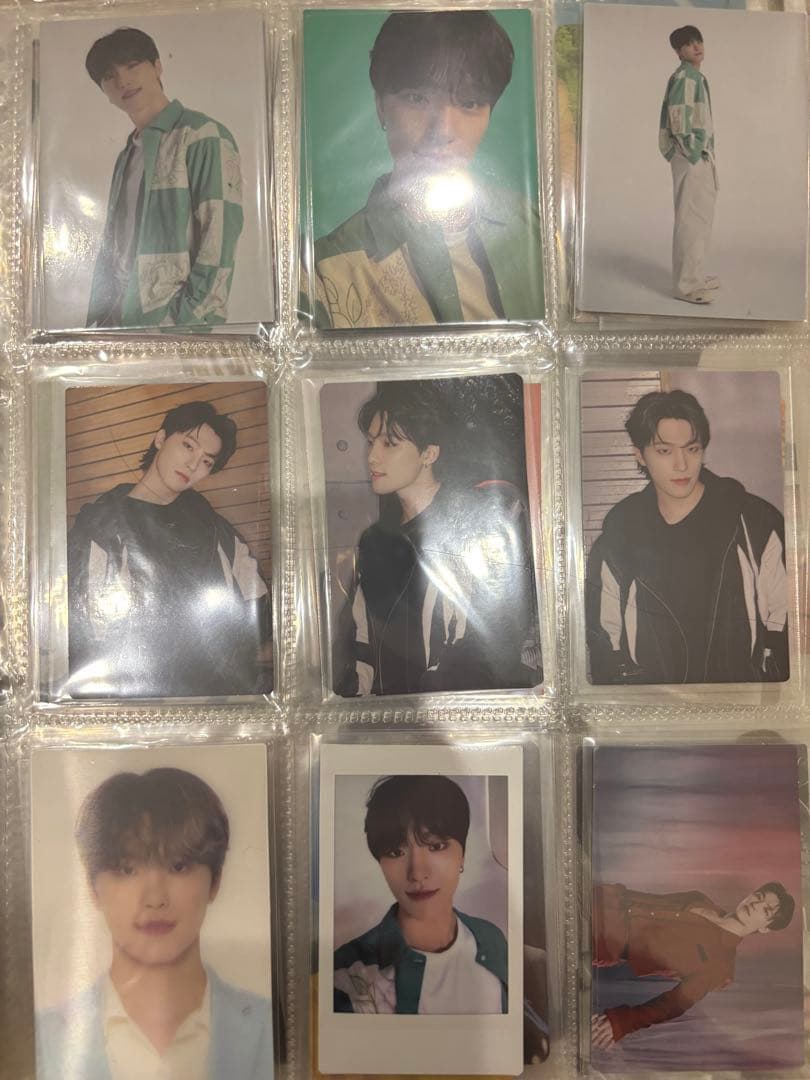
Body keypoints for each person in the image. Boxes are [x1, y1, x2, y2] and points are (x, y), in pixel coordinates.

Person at [307, 11, 544, 328]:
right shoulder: (324, 271)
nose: (442, 131)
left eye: (469, 103)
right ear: (380, 106)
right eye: (416, 98)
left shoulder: (537, 230)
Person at [35, 768, 274, 1079]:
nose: (155, 898)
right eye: (127, 869)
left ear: (215, 881)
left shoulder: (270, 1027)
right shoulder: (42, 1038)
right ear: (93, 887)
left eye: (178, 866)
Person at [334, 380, 541, 696]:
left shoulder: (475, 521)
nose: (372, 457)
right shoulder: (374, 542)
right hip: (389, 719)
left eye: (389, 443)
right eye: (371, 442)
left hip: (462, 713)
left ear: (429, 453)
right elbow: (358, 640)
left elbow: (491, 645)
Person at [67, 400, 272, 698]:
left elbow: (258, 604)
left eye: (207, 461)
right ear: (161, 438)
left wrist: (225, 664)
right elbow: (87, 628)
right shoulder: (103, 525)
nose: (193, 465)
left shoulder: (214, 528)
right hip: (135, 696)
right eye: (188, 446)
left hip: (215, 695)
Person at [585, 389, 789, 684]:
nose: (681, 465)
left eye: (691, 449)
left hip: (741, 704)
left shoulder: (755, 523)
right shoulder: (618, 538)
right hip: (656, 708)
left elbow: (786, 627)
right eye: (664, 451)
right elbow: (606, 646)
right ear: (639, 455)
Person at [84, 27, 243, 329]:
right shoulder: (128, 153)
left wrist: (185, 322)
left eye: (132, 66)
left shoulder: (201, 135)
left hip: (171, 326)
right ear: (104, 92)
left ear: (157, 66)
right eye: (109, 76)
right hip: (118, 321)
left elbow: (219, 240)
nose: (122, 81)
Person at [333, 775, 507, 1014]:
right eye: (395, 852)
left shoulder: (492, 940)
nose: (417, 873)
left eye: (436, 846)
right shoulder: (349, 971)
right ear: (380, 862)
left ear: (462, 855)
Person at [591, 881, 795, 1048]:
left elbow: (674, 1004)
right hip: (602, 897)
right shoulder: (699, 898)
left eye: (766, 910)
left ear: (766, 928)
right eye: (758, 896)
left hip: (602, 942)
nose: (756, 904)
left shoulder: (720, 967)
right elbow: (648, 899)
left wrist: (622, 1022)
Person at [659, 26, 718, 305]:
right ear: (678, 51)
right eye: (689, 44)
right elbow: (679, 121)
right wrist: (695, 153)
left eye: (699, 41)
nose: (697, 47)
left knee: (699, 219)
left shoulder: (695, 76)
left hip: (699, 156)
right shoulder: (685, 78)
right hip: (691, 158)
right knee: (691, 221)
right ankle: (686, 287)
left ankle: (695, 276)